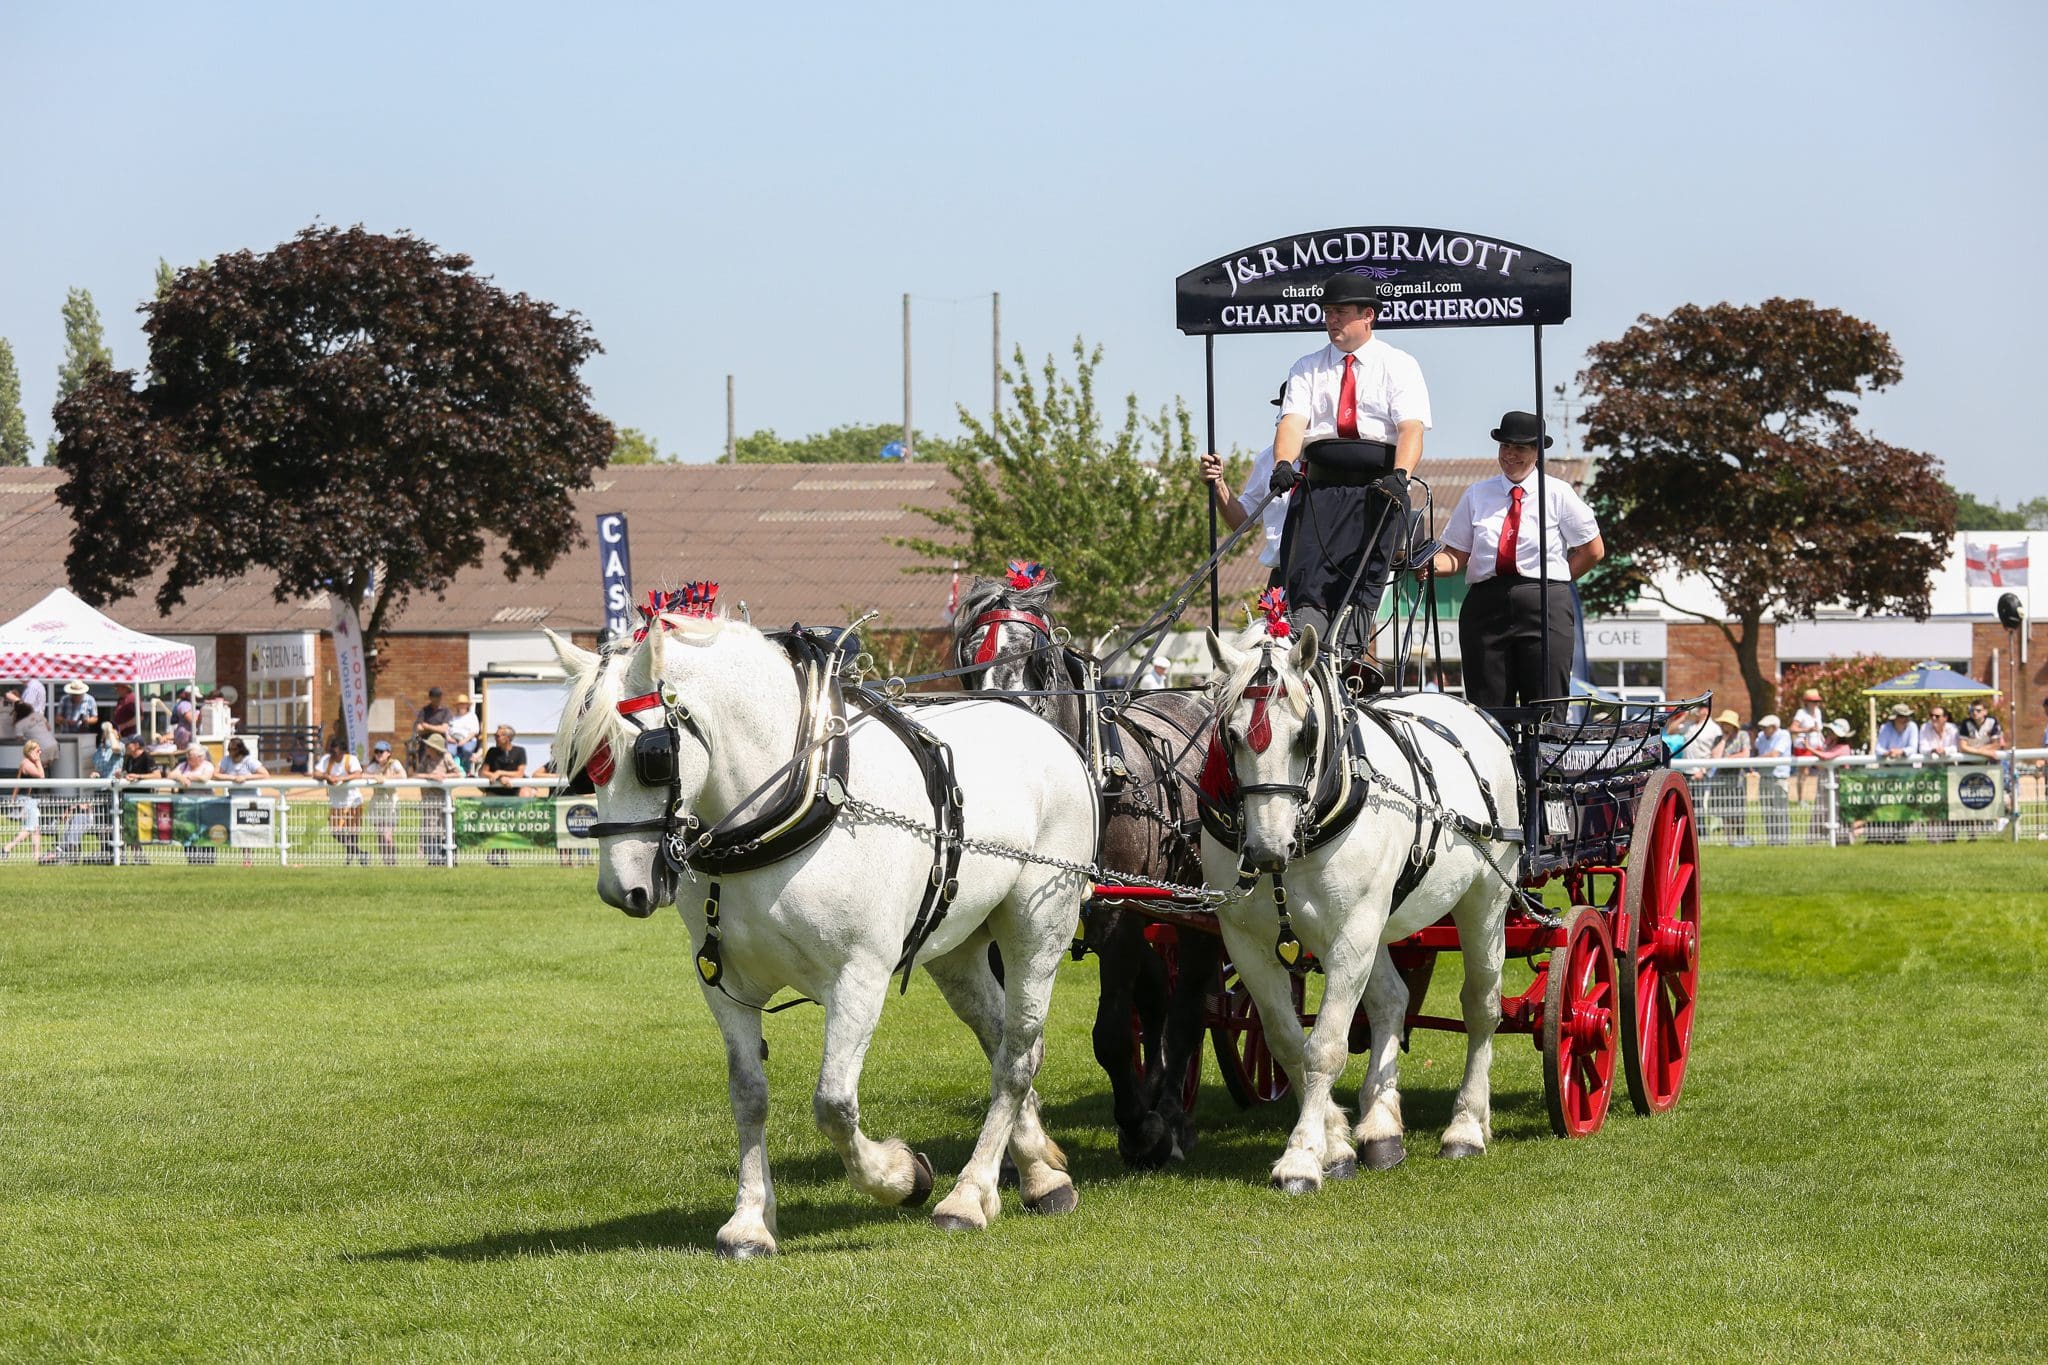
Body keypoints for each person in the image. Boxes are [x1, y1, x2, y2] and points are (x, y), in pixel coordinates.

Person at [1268, 273, 1431, 681]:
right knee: (1305, 586)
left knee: (1361, 588)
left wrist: (1401, 476)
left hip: (1377, 491)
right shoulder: (1307, 367)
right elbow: (1292, 423)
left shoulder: (1399, 365)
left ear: (1368, 316)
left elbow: (1411, 429)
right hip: (1319, 492)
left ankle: (1347, 665)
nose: (1332, 320)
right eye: (1327, 313)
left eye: (1341, 312)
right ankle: (1308, 670)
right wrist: (1284, 464)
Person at [1431, 412, 1605, 710]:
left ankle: (1543, 757)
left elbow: (1592, 550)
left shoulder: (1557, 493)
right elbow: (1456, 555)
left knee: (1546, 707)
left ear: (1537, 452)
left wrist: (1553, 583)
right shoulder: (1477, 495)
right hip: (1486, 607)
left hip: (1544, 606)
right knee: (1488, 710)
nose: (1510, 454)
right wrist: (1428, 565)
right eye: (1505, 447)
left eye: (1520, 448)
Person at [1200, 385, 1296, 588]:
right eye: (1284, 409)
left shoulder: (1332, 458)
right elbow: (1242, 521)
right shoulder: (1268, 459)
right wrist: (1218, 485)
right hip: (1282, 579)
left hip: (1324, 576)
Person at [313, 734, 367, 866]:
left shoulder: (351, 759)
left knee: (353, 832)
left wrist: (340, 779)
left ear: (343, 751)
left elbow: (358, 774)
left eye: (335, 752)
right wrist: (327, 776)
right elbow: (316, 773)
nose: (333, 755)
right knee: (335, 832)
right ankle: (360, 853)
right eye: (331, 751)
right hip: (336, 802)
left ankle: (350, 858)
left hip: (353, 800)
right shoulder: (327, 759)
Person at [1707, 709, 1751, 843]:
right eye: (1723, 723)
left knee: (1738, 811)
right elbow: (1715, 757)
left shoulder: (1743, 735)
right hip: (1722, 781)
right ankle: (1730, 839)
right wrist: (1724, 740)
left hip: (1737, 780)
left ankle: (1740, 837)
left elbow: (1745, 754)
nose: (1725, 726)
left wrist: (1727, 758)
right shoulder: (1718, 739)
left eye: (1727, 724)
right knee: (1725, 811)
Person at [412, 733, 455, 864]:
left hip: (444, 799)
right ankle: (433, 858)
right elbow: (415, 775)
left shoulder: (446, 757)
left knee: (446, 828)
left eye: (429, 746)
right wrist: (430, 776)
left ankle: (449, 857)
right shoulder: (426, 758)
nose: (427, 748)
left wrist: (444, 776)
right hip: (429, 800)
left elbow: (459, 773)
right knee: (430, 829)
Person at [365, 740, 408, 867]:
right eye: (376, 751)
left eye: (381, 751)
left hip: (390, 801)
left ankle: (392, 861)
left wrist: (384, 779)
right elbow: (363, 775)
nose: (378, 754)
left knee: (387, 835)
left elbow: (403, 776)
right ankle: (386, 862)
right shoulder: (373, 766)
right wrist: (374, 777)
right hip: (377, 801)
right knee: (380, 834)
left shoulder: (394, 763)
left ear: (388, 753)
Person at [1752, 714, 1793, 845]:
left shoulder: (1784, 735)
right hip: (1764, 777)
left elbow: (1775, 754)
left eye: (1766, 727)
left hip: (1779, 778)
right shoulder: (1761, 737)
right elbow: (1755, 749)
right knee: (1766, 811)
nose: (1763, 730)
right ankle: (1771, 840)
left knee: (1780, 811)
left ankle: (1782, 841)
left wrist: (1755, 761)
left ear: (1774, 727)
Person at [5, 738, 45, 861]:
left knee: (35, 829)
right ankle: (7, 848)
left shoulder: (29, 763)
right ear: (30, 751)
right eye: (38, 751)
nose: (40, 753)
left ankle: (36, 856)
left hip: (31, 800)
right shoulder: (26, 763)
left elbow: (17, 782)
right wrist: (38, 761)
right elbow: (41, 777)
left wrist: (13, 798)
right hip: (27, 800)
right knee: (30, 828)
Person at [1789, 687, 1825, 803]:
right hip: (1804, 746)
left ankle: (1822, 795)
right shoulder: (1801, 713)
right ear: (1807, 702)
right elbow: (1793, 728)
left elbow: (1818, 728)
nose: (1816, 704)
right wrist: (1807, 730)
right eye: (1813, 701)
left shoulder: (1818, 712)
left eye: (1817, 701)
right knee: (1804, 772)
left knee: (1823, 769)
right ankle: (1801, 799)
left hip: (1817, 744)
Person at [479, 725, 527, 797]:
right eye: (495, 736)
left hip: (513, 790)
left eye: (497, 736)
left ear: (508, 738)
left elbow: (520, 774)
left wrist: (499, 773)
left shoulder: (520, 751)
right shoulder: (492, 751)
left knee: (527, 793)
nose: (495, 738)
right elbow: (483, 772)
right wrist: (500, 778)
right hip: (494, 790)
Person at [413, 688, 452, 766]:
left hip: (440, 744)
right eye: (434, 697)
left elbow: (444, 729)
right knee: (423, 766)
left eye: (438, 697)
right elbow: (419, 729)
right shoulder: (424, 710)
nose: (437, 699)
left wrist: (427, 726)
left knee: (441, 766)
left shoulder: (445, 711)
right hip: (425, 745)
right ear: (430, 698)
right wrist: (436, 728)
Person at [447, 693, 482, 772]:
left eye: (464, 704)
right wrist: (449, 738)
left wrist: (464, 741)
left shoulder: (472, 716)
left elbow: (475, 731)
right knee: (449, 752)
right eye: (460, 704)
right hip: (453, 740)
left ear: (467, 706)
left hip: (468, 740)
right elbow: (448, 730)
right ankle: (454, 770)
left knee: (467, 750)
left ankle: (467, 770)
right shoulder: (453, 717)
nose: (462, 706)